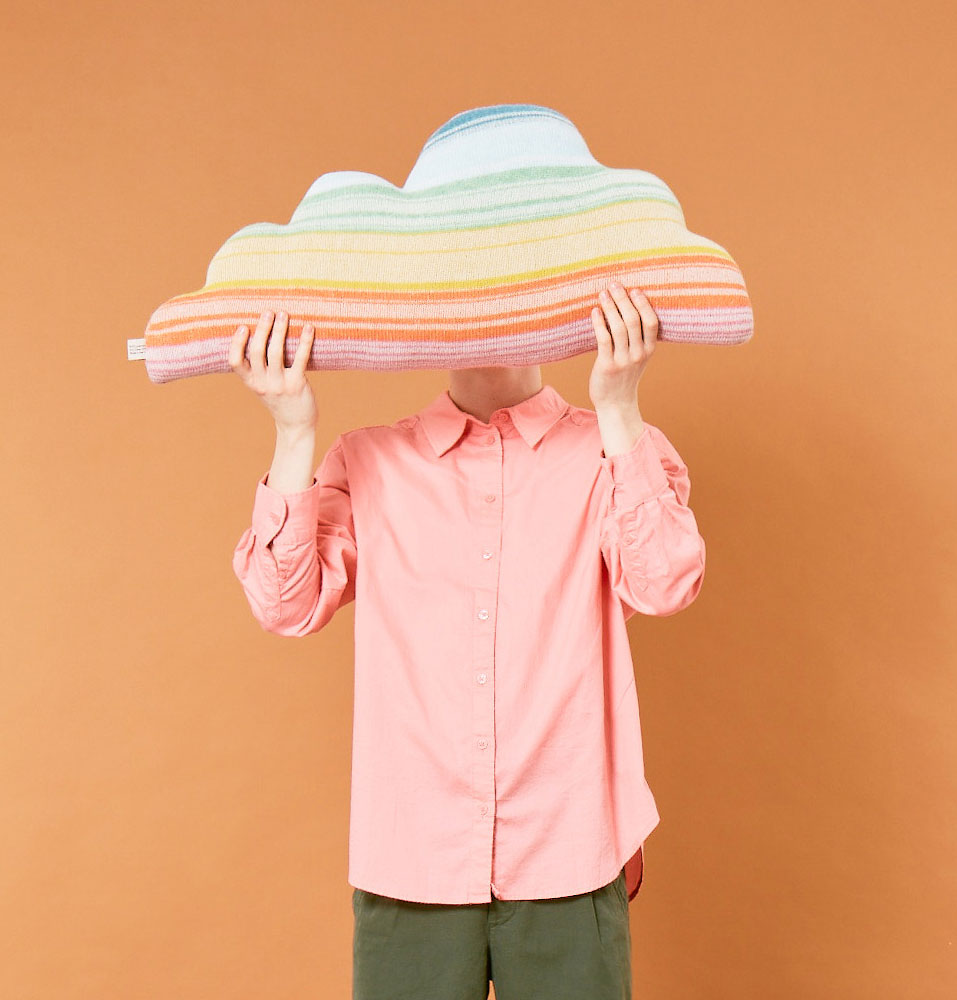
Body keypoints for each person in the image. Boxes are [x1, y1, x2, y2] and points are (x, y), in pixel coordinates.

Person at [229, 281, 707, 1000]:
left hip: (571, 849)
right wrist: (293, 432)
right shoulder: (368, 460)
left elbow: (665, 582)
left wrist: (619, 405)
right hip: (411, 857)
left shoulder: (610, 450)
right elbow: (284, 602)